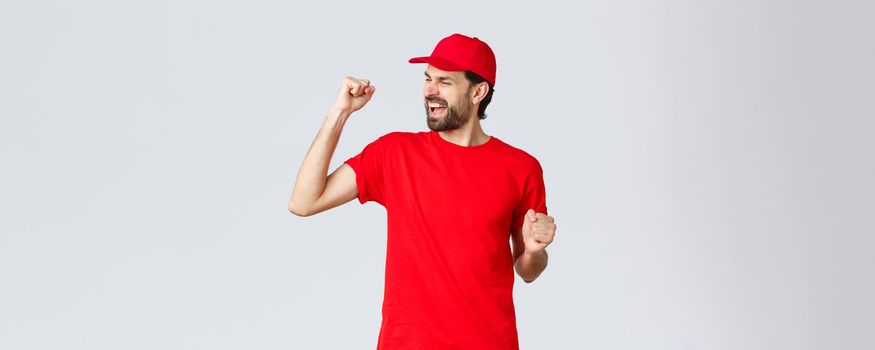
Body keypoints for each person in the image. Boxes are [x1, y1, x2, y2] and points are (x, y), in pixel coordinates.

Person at [289, 33, 557, 349]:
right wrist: (340, 112)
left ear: (478, 92)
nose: (430, 90)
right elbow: (304, 202)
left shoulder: (521, 168)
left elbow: (527, 271)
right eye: (427, 79)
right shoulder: (394, 153)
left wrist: (536, 250)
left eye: (445, 82)